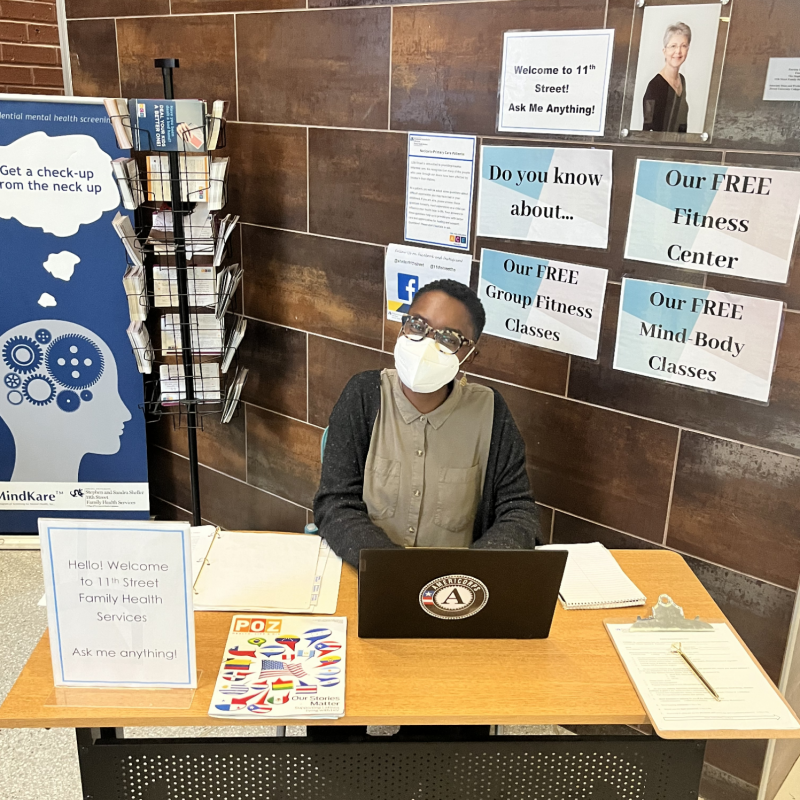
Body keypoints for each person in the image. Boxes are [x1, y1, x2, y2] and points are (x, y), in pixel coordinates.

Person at [313, 279, 541, 568]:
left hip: (455, 587)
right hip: (371, 573)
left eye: (448, 339)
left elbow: (518, 511)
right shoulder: (364, 395)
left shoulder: (490, 412)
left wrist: (472, 573)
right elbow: (335, 503)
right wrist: (395, 570)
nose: (427, 345)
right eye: (418, 326)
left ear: (468, 357)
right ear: (403, 327)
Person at [642, 22, 692, 133]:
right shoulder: (654, 86)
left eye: (683, 46)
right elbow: (648, 128)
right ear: (664, 51)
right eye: (673, 46)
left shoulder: (681, 81)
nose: (678, 51)